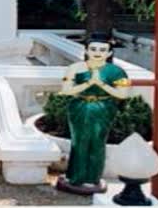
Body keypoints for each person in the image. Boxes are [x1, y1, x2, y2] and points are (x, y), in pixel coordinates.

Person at [56, 32, 131, 194]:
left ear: (109, 53)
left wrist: (101, 84)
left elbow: (122, 94)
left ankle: (93, 178)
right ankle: (74, 177)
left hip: (103, 107)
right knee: (78, 141)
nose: (97, 52)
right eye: (93, 49)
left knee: (98, 141)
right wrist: (89, 82)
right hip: (80, 106)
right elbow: (67, 90)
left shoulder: (117, 71)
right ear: (86, 50)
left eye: (103, 50)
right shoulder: (75, 68)